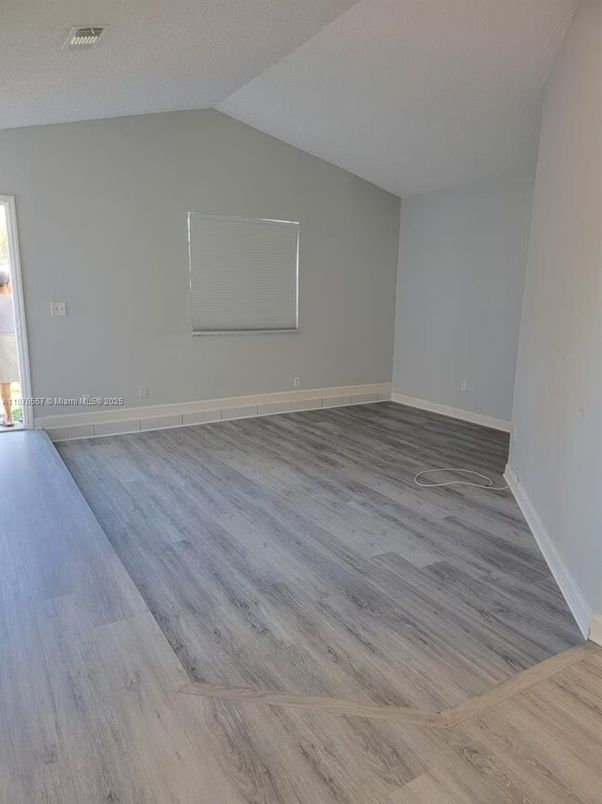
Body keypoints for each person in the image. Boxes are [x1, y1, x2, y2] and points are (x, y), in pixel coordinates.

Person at [0, 270, 19, 427]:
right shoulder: (16, 300)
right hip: (18, 340)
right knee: (23, 378)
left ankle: (9, 418)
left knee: (4, 381)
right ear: (7, 283)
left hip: (3, 342)